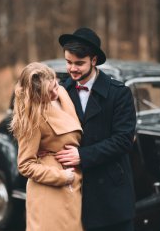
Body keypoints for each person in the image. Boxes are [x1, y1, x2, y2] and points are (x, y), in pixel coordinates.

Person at [56, 27, 137, 231]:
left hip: (111, 194)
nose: (72, 68)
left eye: (79, 63)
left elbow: (124, 140)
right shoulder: (60, 92)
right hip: (71, 190)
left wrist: (83, 156)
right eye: (68, 62)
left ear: (94, 60)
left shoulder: (120, 94)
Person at [10, 62, 83, 231]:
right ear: (36, 95)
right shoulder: (32, 116)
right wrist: (62, 176)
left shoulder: (63, 93)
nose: (55, 92)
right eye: (48, 92)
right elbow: (25, 165)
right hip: (50, 189)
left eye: (55, 85)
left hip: (74, 183)